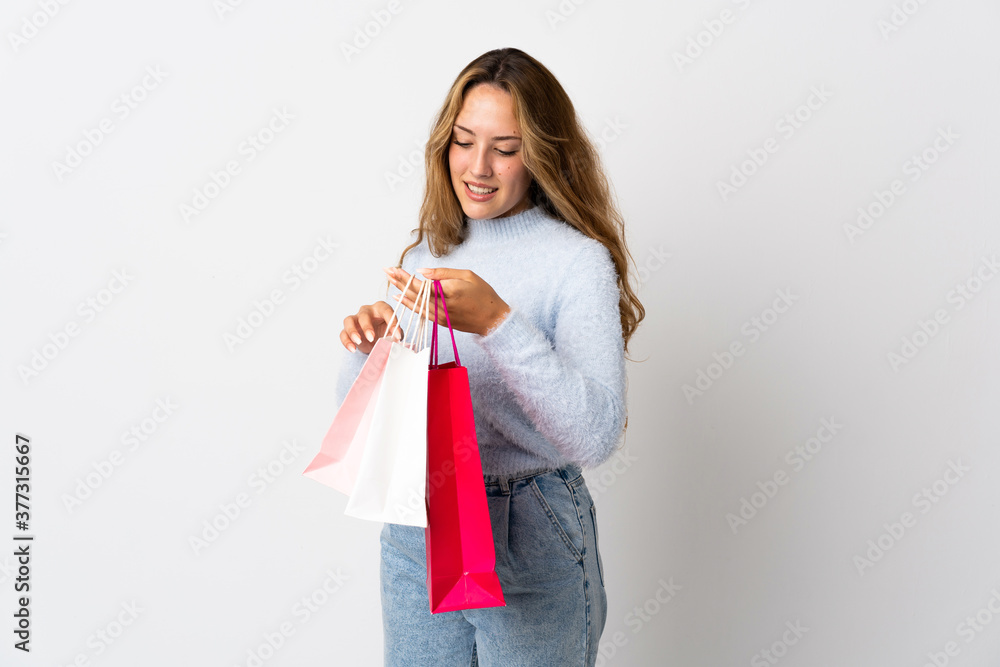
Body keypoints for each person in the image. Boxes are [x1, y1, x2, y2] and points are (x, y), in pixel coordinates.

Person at [334, 47, 645, 667]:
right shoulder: (429, 251)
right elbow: (372, 428)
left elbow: (595, 436)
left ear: (544, 154)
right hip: (421, 523)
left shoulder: (576, 261)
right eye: (463, 141)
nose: (478, 167)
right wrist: (371, 352)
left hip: (531, 526)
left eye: (505, 148)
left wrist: (500, 324)